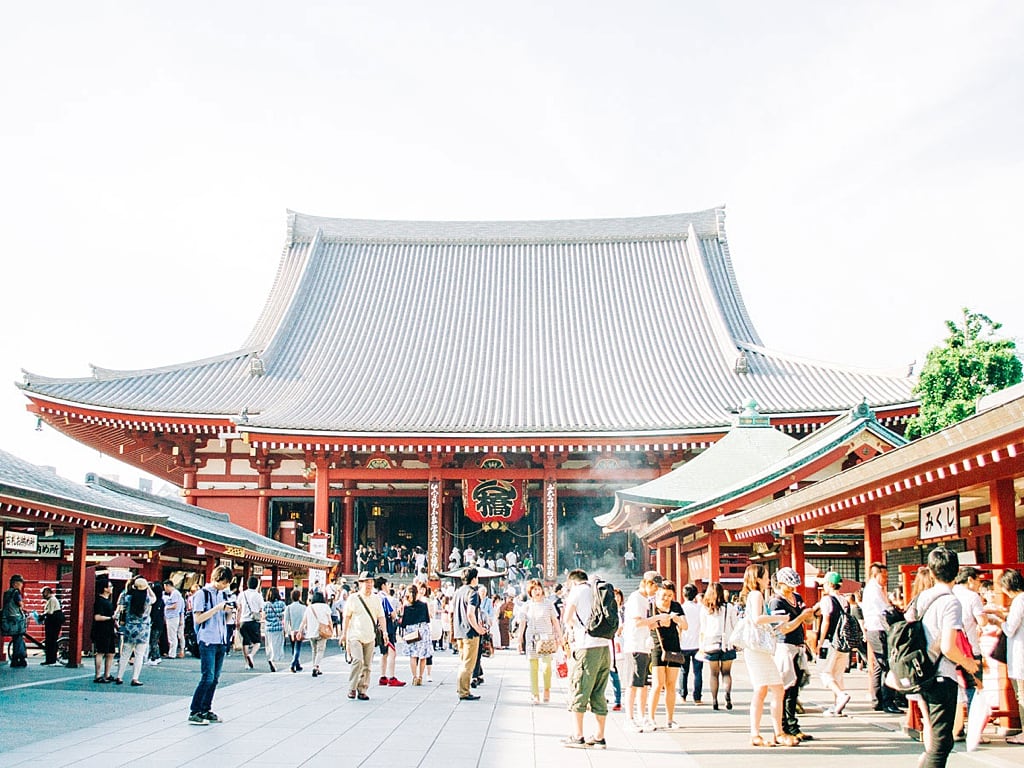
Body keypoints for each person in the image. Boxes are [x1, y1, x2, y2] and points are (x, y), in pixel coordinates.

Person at [905, 547, 979, 768]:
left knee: (933, 736)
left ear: (931, 570)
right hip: (941, 674)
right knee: (941, 743)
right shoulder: (950, 601)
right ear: (956, 572)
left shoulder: (921, 598)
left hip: (921, 671)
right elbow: (948, 646)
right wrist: (968, 663)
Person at [740, 564, 794, 747]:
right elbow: (757, 619)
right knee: (776, 689)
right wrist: (780, 618)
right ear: (758, 578)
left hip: (756, 649)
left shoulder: (753, 595)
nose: (767, 580)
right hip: (758, 651)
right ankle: (775, 732)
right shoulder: (756, 595)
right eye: (764, 576)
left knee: (762, 690)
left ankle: (759, 733)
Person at [562, 568, 612, 749]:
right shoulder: (597, 590)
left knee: (579, 688)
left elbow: (567, 618)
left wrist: (572, 629)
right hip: (605, 647)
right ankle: (599, 736)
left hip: (586, 647)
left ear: (573, 581)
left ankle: (578, 735)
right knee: (599, 691)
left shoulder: (577, 591)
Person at [769, 567, 816, 743]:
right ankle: (782, 726)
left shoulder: (797, 598)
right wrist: (802, 617)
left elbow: (808, 620)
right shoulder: (776, 602)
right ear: (781, 584)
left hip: (798, 645)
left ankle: (793, 725)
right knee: (784, 688)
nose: (793, 588)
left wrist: (809, 615)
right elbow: (784, 627)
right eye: (789, 585)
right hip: (784, 646)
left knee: (794, 688)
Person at [188, 565, 233, 724]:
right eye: (224, 583)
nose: (225, 586)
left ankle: (206, 709)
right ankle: (195, 711)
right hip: (207, 639)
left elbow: (225, 620)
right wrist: (217, 608)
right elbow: (198, 619)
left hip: (220, 640)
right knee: (207, 677)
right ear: (216, 578)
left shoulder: (223, 595)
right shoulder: (202, 594)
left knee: (215, 678)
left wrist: (229, 612)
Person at [986, 568, 1024, 745]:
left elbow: (1010, 629)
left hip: (1020, 653)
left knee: (1022, 695)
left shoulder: (1019, 601)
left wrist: (998, 620)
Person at [622, 570, 660, 731]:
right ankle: (629, 718)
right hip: (634, 645)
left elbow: (647, 623)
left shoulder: (646, 599)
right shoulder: (636, 598)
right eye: (655, 587)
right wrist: (657, 619)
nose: (656, 590)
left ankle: (641, 716)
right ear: (647, 583)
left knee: (644, 683)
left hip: (644, 645)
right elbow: (637, 622)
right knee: (633, 683)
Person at [863, 562, 902, 714]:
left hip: (874, 629)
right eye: (883, 575)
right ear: (875, 574)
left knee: (879, 665)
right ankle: (888, 701)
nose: (886, 579)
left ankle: (877, 699)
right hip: (878, 629)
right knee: (887, 664)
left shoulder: (874, 589)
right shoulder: (874, 590)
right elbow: (884, 610)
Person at [649, 580, 686, 729]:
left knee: (671, 685)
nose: (666, 599)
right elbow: (648, 624)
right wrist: (660, 621)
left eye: (670, 595)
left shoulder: (676, 606)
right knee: (657, 684)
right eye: (664, 595)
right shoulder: (651, 607)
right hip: (658, 647)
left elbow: (685, 625)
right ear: (658, 593)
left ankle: (670, 719)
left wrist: (676, 619)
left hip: (674, 646)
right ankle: (651, 718)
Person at [343, 571, 386, 700]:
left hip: (370, 635)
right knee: (357, 660)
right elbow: (347, 617)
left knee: (367, 664)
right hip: (355, 635)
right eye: (366, 582)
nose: (369, 584)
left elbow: (381, 616)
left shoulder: (375, 598)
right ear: (360, 583)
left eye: (371, 582)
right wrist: (344, 634)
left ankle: (362, 689)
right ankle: (352, 687)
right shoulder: (353, 598)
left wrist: (385, 632)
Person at [817, 571, 852, 716]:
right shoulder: (845, 601)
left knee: (825, 672)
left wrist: (820, 641)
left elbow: (826, 621)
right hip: (844, 643)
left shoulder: (827, 600)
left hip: (830, 641)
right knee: (838, 674)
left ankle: (841, 696)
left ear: (829, 584)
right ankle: (837, 706)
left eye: (824, 583)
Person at [522, 579, 562, 704]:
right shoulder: (526, 605)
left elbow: (555, 621)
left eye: (539, 589)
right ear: (530, 592)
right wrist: (519, 639)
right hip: (532, 639)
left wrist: (560, 636)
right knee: (533, 667)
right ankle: (535, 694)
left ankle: (546, 689)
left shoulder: (548, 604)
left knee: (547, 667)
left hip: (546, 638)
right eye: (534, 589)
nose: (537, 591)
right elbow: (523, 623)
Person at [699, 582, 737, 711]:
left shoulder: (705, 609)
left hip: (710, 644)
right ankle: (727, 695)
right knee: (726, 673)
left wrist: (701, 645)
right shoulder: (730, 607)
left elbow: (702, 629)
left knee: (713, 674)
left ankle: (715, 700)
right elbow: (734, 625)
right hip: (727, 643)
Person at [453, 567, 486, 701]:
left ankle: (461, 687)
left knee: (463, 662)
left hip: (459, 631)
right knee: (468, 664)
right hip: (470, 632)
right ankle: (464, 692)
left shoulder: (458, 592)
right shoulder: (473, 593)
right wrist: (478, 629)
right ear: (474, 579)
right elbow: (471, 614)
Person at [115, 577, 155, 686]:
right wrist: (148, 588)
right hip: (143, 629)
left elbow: (122, 604)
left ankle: (119, 676)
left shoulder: (128, 598)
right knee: (139, 655)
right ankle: (135, 678)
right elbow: (154, 598)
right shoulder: (147, 599)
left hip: (130, 628)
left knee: (125, 653)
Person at [374, 576, 405, 687]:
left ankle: (383, 676)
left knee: (384, 653)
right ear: (383, 586)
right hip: (387, 626)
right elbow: (392, 614)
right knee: (392, 652)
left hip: (378, 628)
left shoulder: (374, 597)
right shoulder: (384, 598)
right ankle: (391, 677)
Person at [398, 583, 431, 685]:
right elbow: (427, 619)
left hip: (411, 631)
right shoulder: (423, 605)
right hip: (422, 630)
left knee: (413, 655)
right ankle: (420, 677)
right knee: (423, 655)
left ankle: (414, 677)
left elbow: (403, 623)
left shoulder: (407, 607)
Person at [677, 583, 703, 705]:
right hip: (698, 643)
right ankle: (697, 697)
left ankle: (683, 695)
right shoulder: (700, 608)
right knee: (698, 672)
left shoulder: (681, 608)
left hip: (684, 644)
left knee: (684, 671)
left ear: (683, 594)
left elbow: (679, 627)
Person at [91, 578, 117, 682]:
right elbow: (97, 617)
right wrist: (110, 618)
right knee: (101, 652)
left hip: (109, 629)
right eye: (110, 586)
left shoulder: (108, 601)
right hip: (101, 630)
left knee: (111, 653)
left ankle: (107, 674)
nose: (111, 588)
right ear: (105, 588)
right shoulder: (99, 601)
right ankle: (98, 675)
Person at [301, 591, 332, 677]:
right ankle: (315, 666)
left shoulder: (309, 607)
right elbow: (329, 620)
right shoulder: (325, 607)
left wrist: (300, 631)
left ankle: (316, 667)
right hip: (322, 631)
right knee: (320, 650)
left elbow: (304, 621)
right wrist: (331, 629)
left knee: (314, 650)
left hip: (311, 632)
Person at [237, 575, 265, 670]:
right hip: (254, 621)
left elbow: (238, 608)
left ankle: (247, 663)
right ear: (256, 585)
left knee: (245, 642)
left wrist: (237, 620)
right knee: (257, 642)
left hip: (243, 621)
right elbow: (262, 609)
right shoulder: (258, 595)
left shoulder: (242, 594)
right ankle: (251, 655)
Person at [2, 574, 28, 667]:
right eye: (20, 583)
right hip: (16, 618)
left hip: (7, 619)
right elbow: (20, 604)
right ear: (15, 584)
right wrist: (22, 605)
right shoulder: (16, 593)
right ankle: (19, 658)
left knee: (17, 638)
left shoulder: (6, 593)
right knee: (19, 638)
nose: (21, 585)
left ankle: (16, 658)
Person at [283, 589, 306, 673]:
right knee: (298, 648)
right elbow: (305, 620)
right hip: (300, 630)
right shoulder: (303, 607)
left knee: (293, 648)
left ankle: (297, 664)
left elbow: (286, 620)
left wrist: (286, 630)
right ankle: (293, 664)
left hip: (291, 630)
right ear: (299, 596)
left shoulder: (288, 607)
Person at [263, 587, 285, 672]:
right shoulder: (281, 604)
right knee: (277, 645)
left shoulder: (266, 605)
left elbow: (263, 616)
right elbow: (284, 615)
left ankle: (271, 659)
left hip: (268, 628)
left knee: (270, 645)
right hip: (278, 627)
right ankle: (273, 659)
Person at [40, 586, 64, 666]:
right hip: (55, 620)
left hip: (53, 621)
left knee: (51, 640)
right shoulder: (51, 600)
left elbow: (50, 612)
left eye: (43, 593)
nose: (42, 595)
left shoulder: (52, 600)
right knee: (51, 640)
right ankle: (50, 659)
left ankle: (50, 659)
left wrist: (42, 615)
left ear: (47, 592)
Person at [162, 581, 186, 659]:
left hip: (172, 617)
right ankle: (174, 652)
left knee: (172, 636)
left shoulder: (175, 593)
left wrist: (166, 607)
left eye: (165, 587)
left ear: (168, 586)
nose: (165, 589)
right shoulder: (177, 594)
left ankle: (172, 653)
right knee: (175, 635)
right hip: (174, 617)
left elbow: (174, 606)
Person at [146, 582, 165, 666]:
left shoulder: (154, 601)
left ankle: (155, 657)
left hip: (154, 623)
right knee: (154, 641)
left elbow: (153, 613)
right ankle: (155, 656)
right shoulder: (162, 601)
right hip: (160, 623)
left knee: (153, 641)